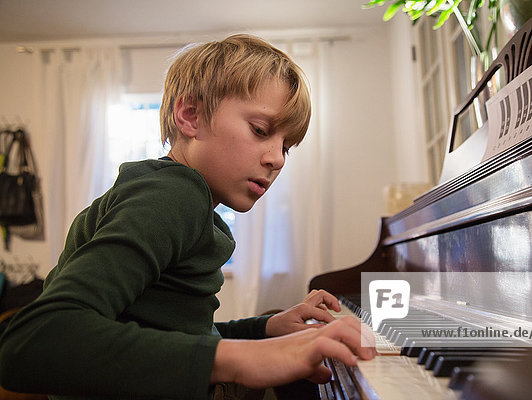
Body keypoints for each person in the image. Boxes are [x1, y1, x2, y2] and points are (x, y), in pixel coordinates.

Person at [0, 34, 375, 399]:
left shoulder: (182, 200)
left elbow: (175, 331)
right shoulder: (173, 196)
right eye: (260, 130)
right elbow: (35, 339)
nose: (276, 159)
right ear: (190, 115)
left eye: (286, 147)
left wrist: (265, 328)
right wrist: (246, 357)